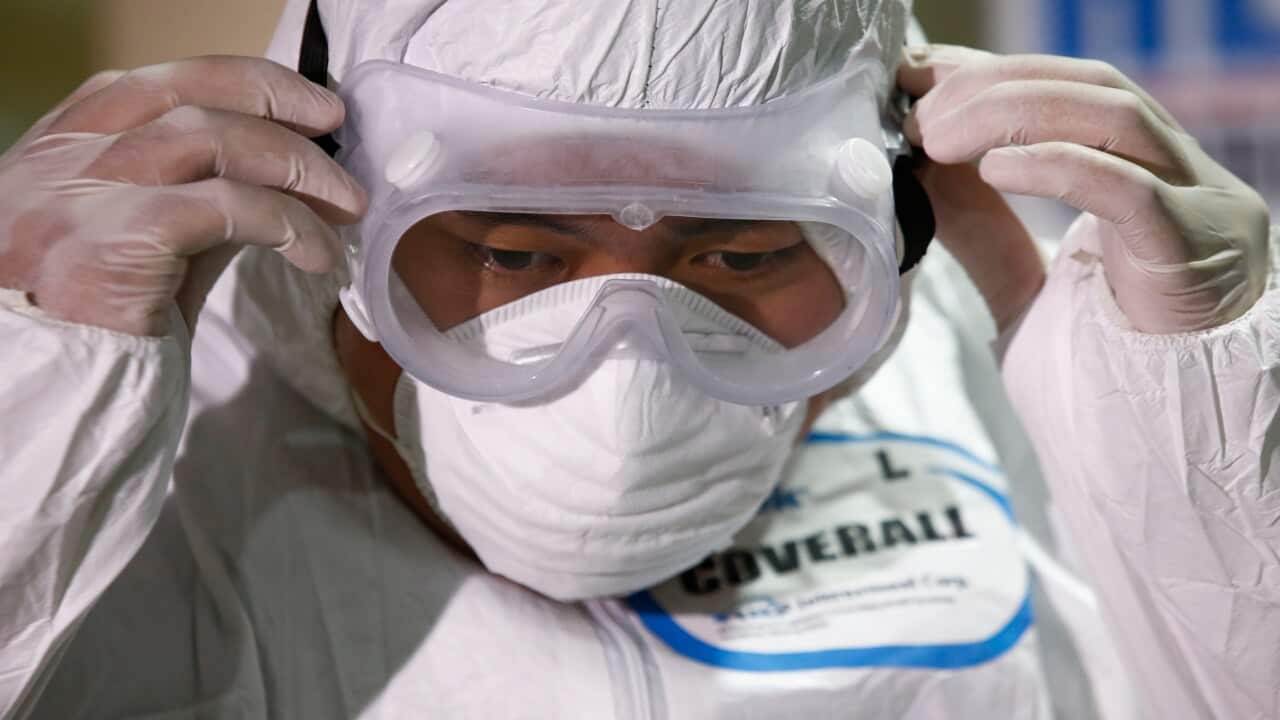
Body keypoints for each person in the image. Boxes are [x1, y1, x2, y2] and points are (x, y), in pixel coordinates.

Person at [0, 0, 1275, 718]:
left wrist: (1204, 437)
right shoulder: (135, 439)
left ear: (884, 228)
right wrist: (28, 398)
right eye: (512, 252)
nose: (627, 382)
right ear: (340, 216)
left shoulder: (1030, 341)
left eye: (735, 259)